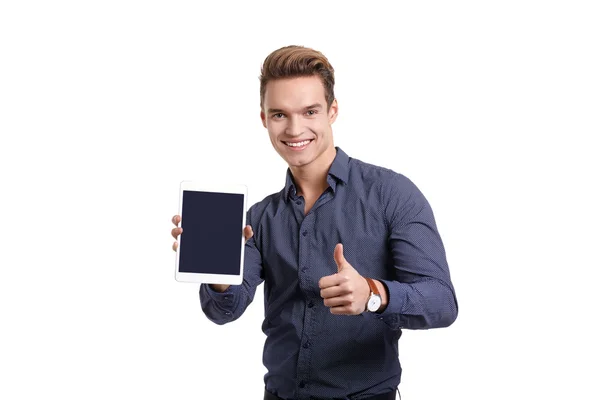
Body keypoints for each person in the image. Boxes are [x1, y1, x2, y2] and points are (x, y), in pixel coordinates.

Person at [171, 45, 458, 400]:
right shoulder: (259, 218)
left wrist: (374, 293)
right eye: (279, 114)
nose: (294, 129)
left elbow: (442, 302)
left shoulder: (392, 194)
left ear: (332, 111)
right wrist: (216, 273)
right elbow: (224, 311)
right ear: (263, 118)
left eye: (309, 111)